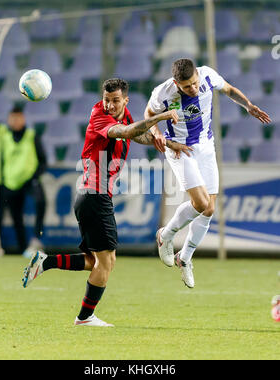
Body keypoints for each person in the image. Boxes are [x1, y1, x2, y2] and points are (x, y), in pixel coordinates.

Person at [22, 78, 189, 327]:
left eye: (115, 101)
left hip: (93, 196)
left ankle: (45, 262)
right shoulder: (99, 116)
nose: (109, 105)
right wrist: (161, 117)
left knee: (95, 261)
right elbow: (126, 132)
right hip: (94, 195)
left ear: (125, 100)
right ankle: (85, 317)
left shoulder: (125, 115)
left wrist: (167, 143)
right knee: (107, 262)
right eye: (106, 100)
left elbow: (137, 134)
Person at [144, 58, 271, 288]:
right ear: (176, 83)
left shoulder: (208, 75)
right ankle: (165, 234)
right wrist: (157, 133)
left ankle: (184, 259)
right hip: (180, 149)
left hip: (206, 145)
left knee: (210, 208)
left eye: (193, 83)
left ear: (197, 76)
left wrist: (248, 106)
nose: (192, 89)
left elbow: (229, 89)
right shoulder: (164, 92)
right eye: (186, 87)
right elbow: (149, 113)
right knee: (201, 203)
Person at [2, 106, 47, 255]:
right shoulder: (5, 137)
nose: (15, 121)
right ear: (9, 120)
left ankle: (36, 238)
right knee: (16, 217)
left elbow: (43, 161)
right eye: (12, 118)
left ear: (23, 119)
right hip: (11, 182)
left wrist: (34, 176)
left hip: (30, 180)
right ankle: (22, 248)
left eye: (18, 118)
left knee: (41, 201)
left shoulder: (31, 135)